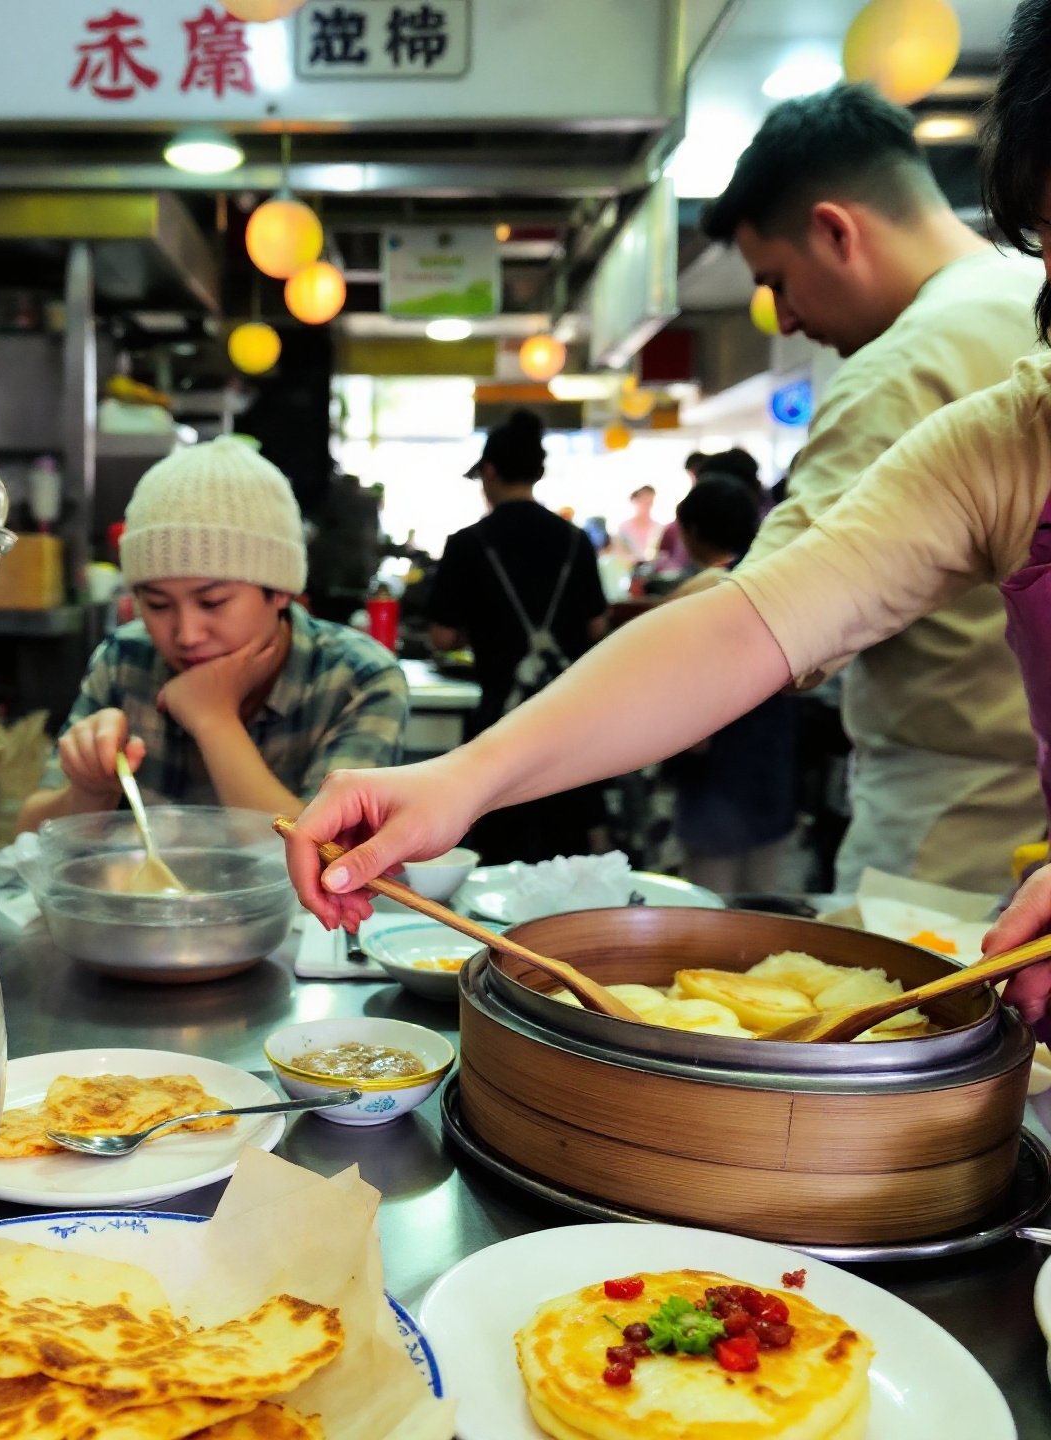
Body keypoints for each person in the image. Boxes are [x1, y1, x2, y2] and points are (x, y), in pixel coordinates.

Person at [278, 0, 1051, 1028]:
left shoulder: (919, 364)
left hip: (949, 834)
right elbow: (747, 626)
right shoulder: (1010, 437)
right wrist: (458, 781)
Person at [691, 83, 1045, 894]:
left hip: (951, 832)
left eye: (775, 280)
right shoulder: (1031, 299)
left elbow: (766, 633)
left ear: (834, 230)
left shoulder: (899, 370)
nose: (780, 318)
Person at [18, 436, 409, 830]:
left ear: (280, 593)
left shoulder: (360, 678)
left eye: (213, 602)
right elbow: (28, 836)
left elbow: (333, 863)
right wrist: (89, 790)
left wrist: (213, 720)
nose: (186, 635)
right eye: (157, 604)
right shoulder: (126, 660)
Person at [427, 410, 608, 861]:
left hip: (500, 724)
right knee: (565, 852)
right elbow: (596, 628)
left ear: (489, 472)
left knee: (498, 851)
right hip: (570, 725)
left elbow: (443, 636)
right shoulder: (575, 541)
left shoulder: (467, 544)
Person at [663, 479, 797, 893]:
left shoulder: (699, 595)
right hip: (773, 759)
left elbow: (685, 700)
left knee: (711, 901)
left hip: (716, 770)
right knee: (765, 900)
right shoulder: (780, 583)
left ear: (694, 532)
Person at [614, 485, 662, 563]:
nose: (647, 505)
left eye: (650, 502)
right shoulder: (624, 527)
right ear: (635, 501)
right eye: (644, 501)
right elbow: (619, 553)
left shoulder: (658, 528)